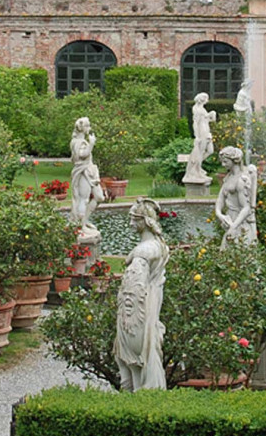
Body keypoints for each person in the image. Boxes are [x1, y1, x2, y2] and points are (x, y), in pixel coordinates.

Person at [113, 198, 169, 391]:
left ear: (144, 221)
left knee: (138, 358)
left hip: (141, 309)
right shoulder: (155, 246)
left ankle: (141, 398)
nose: (130, 224)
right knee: (138, 359)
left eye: (134, 220)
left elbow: (133, 288)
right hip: (148, 303)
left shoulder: (145, 251)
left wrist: (126, 316)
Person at [214, 147, 258, 248]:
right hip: (230, 218)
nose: (223, 165)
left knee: (241, 253)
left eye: (225, 162)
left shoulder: (242, 180)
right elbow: (220, 199)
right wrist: (220, 215)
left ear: (234, 160)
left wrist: (233, 227)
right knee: (227, 255)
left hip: (241, 222)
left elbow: (246, 208)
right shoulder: (229, 177)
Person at [69, 117, 105, 234]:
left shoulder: (81, 141)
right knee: (83, 199)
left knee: (99, 197)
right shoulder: (78, 142)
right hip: (82, 172)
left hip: (90, 172)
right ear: (81, 128)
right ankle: (80, 226)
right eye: (87, 125)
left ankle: (84, 220)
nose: (89, 128)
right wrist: (91, 144)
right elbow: (82, 154)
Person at [182, 93, 216, 183]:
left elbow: (207, 120)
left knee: (210, 151)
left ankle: (197, 167)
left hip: (207, 131)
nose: (207, 100)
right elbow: (195, 123)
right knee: (200, 152)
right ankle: (197, 170)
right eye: (206, 98)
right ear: (202, 99)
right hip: (202, 132)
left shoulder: (202, 109)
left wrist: (211, 115)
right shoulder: (196, 109)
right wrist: (197, 136)